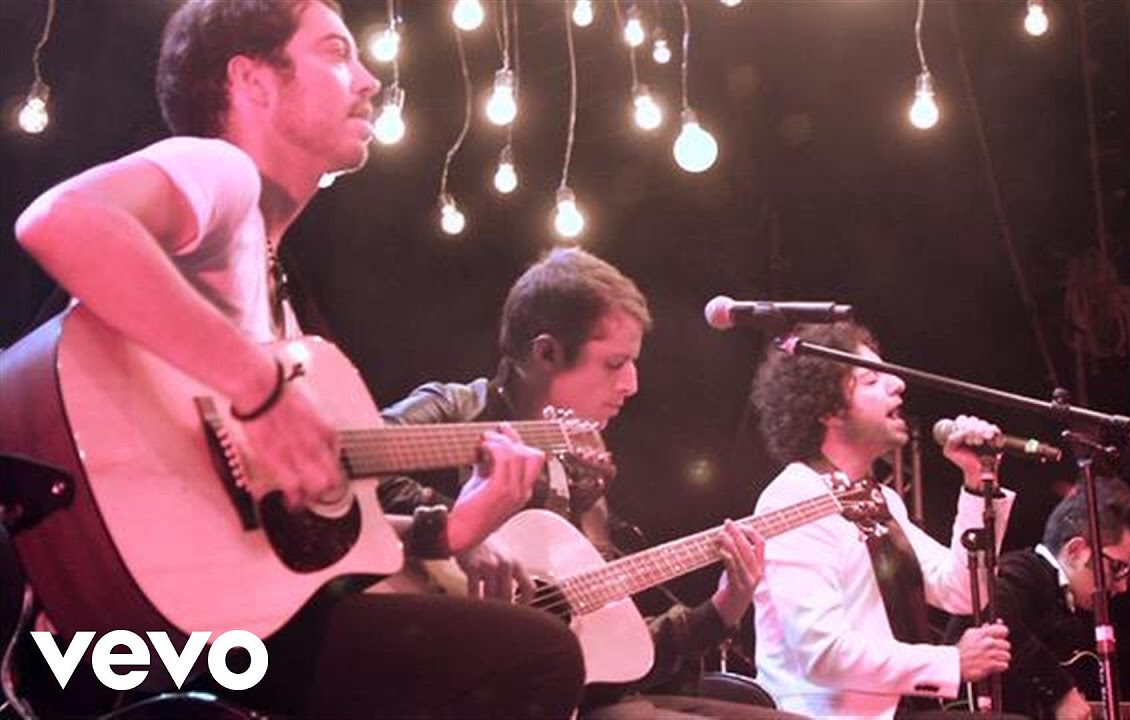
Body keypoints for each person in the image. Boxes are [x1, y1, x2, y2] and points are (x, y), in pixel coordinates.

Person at [11, 1, 583, 717]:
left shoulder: (278, 304)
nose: (370, 80)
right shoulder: (218, 168)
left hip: (160, 643)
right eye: (337, 53)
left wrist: (450, 530)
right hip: (108, 649)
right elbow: (62, 220)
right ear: (252, 80)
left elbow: (268, 545)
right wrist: (262, 392)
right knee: (536, 656)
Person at [381, 248, 802, 719]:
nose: (632, 384)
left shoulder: (577, 471)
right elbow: (343, 471)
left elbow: (615, 655)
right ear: (546, 353)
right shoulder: (456, 409)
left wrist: (721, 609)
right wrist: (459, 534)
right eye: (614, 363)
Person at [748, 321, 1016, 719]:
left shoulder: (880, 499)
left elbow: (960, 589)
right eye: (871, 380)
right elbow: (822, 652)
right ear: (828, 410)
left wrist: (978, 483)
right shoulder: (795, 497)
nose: (898, 385)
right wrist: (950, 662)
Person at [959, 477, 1130, 719]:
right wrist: (1060, 692)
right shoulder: (1023, 571)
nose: (1122, 586)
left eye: (1128, 573)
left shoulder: (1072, 618)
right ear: (1075, 551)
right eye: (1118, 567)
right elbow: (988, 611)